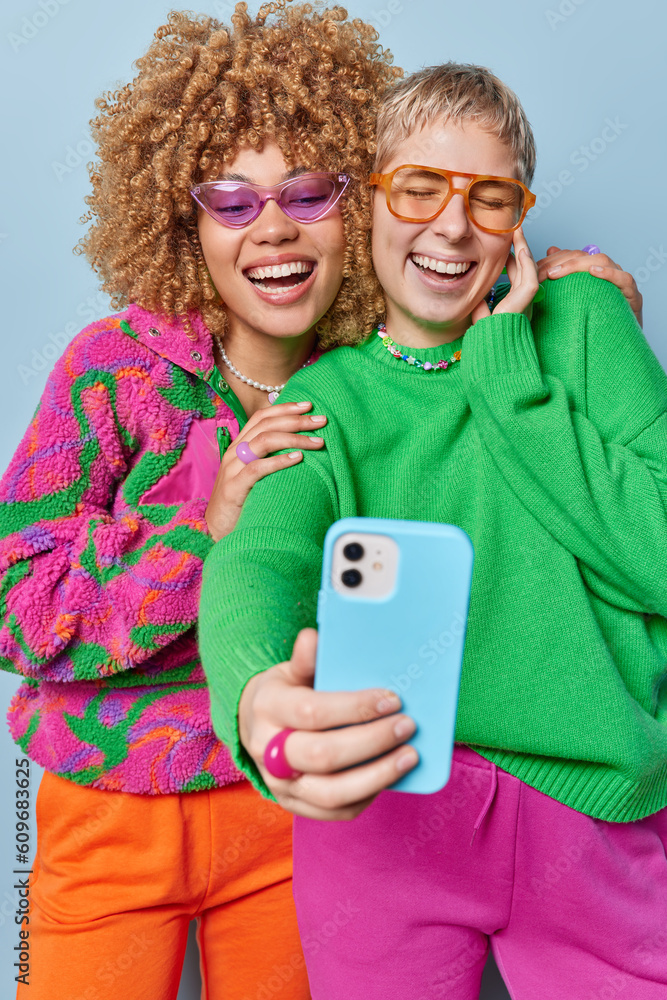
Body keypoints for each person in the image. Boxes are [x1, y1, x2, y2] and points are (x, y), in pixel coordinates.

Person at [199, 61, 667, 999]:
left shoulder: (580, 323)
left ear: (517, 222)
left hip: (599, 823)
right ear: (367, 200)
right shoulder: (326, 395)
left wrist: (504, 370)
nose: (451, 225)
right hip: (384, 821)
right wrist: (256, 698)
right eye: (418, 188)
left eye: (488, 198)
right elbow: (260, 559)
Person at [0, 5, 402, 998]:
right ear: (186, 221)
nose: (273, 226)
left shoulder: (378, 382)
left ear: (359, 208)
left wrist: (574, 294)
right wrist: (198, 533)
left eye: (308, 193)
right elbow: (20, 610)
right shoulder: (108, 373)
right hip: (105, 811)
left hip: (285, 810)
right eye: (233, 200)